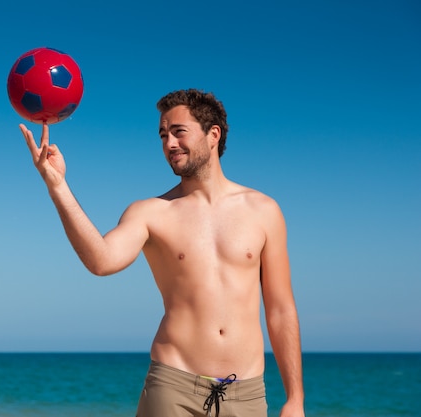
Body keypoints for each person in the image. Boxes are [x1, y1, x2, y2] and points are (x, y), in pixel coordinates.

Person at [19, 89, 304, 417]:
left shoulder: (264, 211)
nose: (169, 144)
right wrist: (58, 186)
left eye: (179, 132)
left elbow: (281, 309)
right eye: (163, 135)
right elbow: (101, 260)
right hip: (173, 387)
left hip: (247, 393)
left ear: (213, 135)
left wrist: (295, 398)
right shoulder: (151, 212)